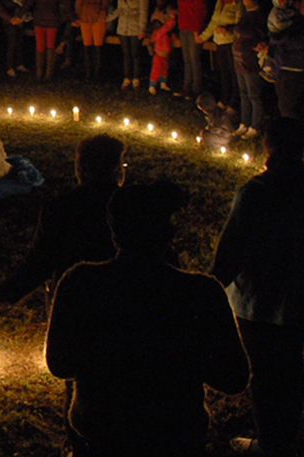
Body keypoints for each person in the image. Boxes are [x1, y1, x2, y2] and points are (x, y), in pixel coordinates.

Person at [46, 181, 249, 457]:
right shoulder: (201, 293)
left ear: (113, 229)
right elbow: (234, 378)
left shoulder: (80, 283)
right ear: (170, 231)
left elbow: (60, 365)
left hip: (102, 434)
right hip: (176, 434)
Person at [212, 118, 304, 454]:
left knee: (263, 372)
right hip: (298, 296)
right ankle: (285, 435)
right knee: (290, 365)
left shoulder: (255, 193)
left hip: (253, 301)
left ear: (267, 146)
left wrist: (208, 291)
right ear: (301, 147)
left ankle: (270, 444)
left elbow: (229, 254)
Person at [0, 134, 126, 455]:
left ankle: (81, 444)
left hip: (76, 313)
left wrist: (1, 292)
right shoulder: (134, 206)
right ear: (119, 170)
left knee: (80, 384)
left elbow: (39, 264)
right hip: (130, 312)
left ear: (80, 168)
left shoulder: (62, 209)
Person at [269, 0, 304, 120]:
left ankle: (292, 134)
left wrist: (281, 40)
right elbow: (277, 35)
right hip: (282, 66)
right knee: (282, 104)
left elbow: (298, 42)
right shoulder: (293, 19)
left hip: (298, 69)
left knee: (288, 108)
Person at [196, 0, 241, 108]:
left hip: (231, 42)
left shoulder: (238, 2)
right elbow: (214, 21)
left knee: (233, 73)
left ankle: (234, 102)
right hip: (219, 42)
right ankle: (224, 98)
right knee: (224, 71)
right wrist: (204, 36)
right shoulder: (221, 0)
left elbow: (240, 23)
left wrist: (228, 29)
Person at [232, 0, 268, 141]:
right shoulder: (245, 14)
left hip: (250, 61)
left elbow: (256, 34)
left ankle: (255, 125)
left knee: (253, 94)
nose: (244, 0)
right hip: (239, 60)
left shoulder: (258, 16)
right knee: (243, 93)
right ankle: (244, 123)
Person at [25, 0, 72, 82]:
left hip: (52, 20)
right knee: (40, 45)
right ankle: (39, 72)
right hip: (39, 19)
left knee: (50, 45)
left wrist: (73, 18)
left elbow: (67, 3)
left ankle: (49, 73)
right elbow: (29, 1)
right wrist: (19, 14)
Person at [109, 0, 150, 90]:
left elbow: (143, 11)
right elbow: (119, 9)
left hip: (135, 27)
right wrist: (108, 18)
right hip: (123, 27)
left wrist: (142, 29)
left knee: (135, 54)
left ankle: (136, 78)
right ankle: (127, 78)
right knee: (126, 54)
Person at [172, 0, 208, 99]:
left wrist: (197, 29)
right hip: (183, 26)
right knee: (187, 59)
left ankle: (197, 88)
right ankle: (186, 86)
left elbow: (200, 10)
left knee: (194, 59)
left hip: (194, 28)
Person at [73, 0, 111, 81]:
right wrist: (77, 15)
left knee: (98, 44)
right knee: (87, 44)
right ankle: (88, 73)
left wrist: (103, 11)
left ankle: (98, 73)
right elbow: (79, 0)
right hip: (85, 16)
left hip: (97, 15)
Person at [147, 6, 177, 95]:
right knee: (156, 71)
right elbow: (167, 27)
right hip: (159, 57)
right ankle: (152, 86)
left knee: (164, 71)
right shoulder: (159, 33)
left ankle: (163, 84)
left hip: (165, 57)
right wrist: (172, 19)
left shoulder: (164, 34)